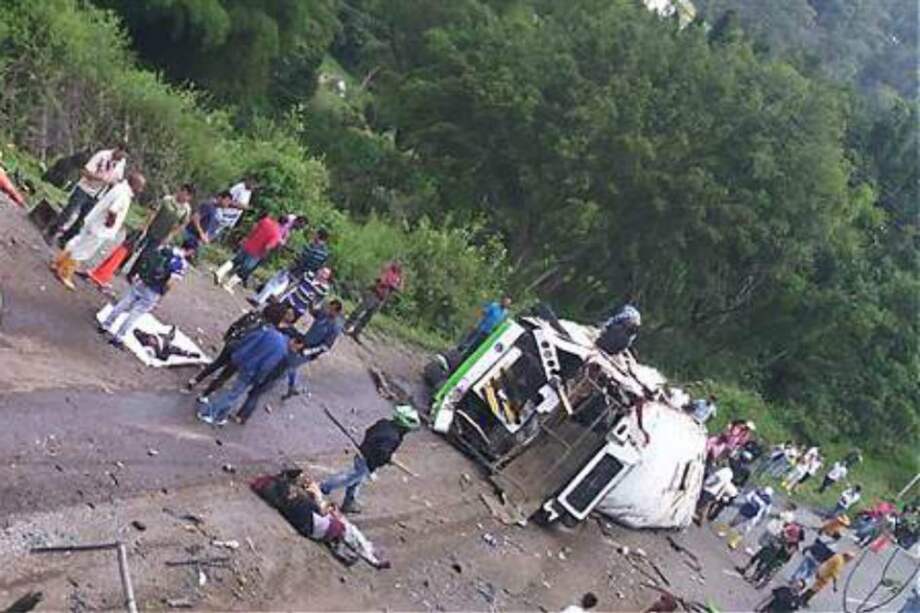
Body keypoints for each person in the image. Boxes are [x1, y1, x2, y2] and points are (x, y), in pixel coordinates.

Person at [320, 404, 421, 514]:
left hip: (362, 453)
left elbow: (369, 432)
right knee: (349, 478)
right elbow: (382, 453)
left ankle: (348, 503)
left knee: (356, 481)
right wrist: (388, 458)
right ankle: (324, 487)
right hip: (367, 461)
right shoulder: (393, 437)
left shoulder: (384, 423)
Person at [52, 172, 145, 290]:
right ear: (134, 184)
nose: (141, 190)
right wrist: (110, 223)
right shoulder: (124, 195)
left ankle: (58, 264)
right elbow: (113, 210)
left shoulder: (120, 187)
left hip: (93, 222)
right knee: (82, 251)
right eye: (140, 186)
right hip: (100, 229)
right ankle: (64, 273)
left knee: (76, 243)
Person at [186, 302, 295, 402]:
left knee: (217, 363)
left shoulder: (254, 315)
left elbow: (236, 324)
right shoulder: (267, 329)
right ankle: (204, 395)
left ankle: (195, 380)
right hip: (241, 352)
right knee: (225, 375)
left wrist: (228, 337)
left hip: (232, 343)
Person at [196, 326, 302, 426]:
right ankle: (209, 413)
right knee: (233, 394)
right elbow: (266, 366)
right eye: (297, 348)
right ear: (294, 341)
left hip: (245, 362)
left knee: (235, 393)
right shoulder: (282, 351)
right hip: (251, 372)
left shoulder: (271, 332)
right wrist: (259, 379)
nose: (295, 350)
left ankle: (221, 416)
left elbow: (250, 339)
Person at [98, 239, 193, 347]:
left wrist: (140, 274)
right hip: (154, 290)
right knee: (136, 313)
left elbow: (149, 260)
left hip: (143, 281)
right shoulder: (181, 263)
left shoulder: (167, 248)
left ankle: (105, 325)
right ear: (191, 251)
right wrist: (162, 295)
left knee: (124, 302)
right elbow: (170, 282)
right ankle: (118, 337)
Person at [44, 145, 127, 246]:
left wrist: (113, 183)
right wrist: (98, 178)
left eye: (123, 157)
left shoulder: (120, 164)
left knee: (83, 219)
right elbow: (85, 171)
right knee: (69, 212)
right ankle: (51, 232)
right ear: (117, 149)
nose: (121, 158)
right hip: (85, 188)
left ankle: (65, 239)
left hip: (98, 194)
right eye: (121, 155)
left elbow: (118, 179)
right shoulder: (102, 155)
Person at [126, 184, 195, 280]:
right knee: (134, 247)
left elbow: (182, 224)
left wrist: (171, 235)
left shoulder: (186, 209)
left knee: (147, 254)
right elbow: (154, 212)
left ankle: (132, 274)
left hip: (162, 235)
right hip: (151, 228)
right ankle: (119, 265)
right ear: (180, 191)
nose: (185, 197)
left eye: (188, 196)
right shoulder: (167, 199)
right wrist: (145, 225)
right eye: (184, 193)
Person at [252, 228, 330, 307]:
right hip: (305, 276)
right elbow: (319, 267)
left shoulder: (311, 247)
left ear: (318, 235)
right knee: (286, 292)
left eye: (315, 234)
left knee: (274, 283)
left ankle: (258, 300)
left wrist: (289, 267)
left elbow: (300, 259)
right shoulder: (325, 253)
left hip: (295, 271)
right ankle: (271, 307)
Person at [283, 299, 345, 398]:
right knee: (291, 362)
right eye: (329, 308)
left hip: (310, 351)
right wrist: (311, 301)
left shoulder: (335, 327)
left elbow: (325, 346)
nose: (329, 311)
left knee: (290, 365)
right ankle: (292, 386)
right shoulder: (323, 314)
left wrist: (307, 351)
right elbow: (312, 312)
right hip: (304, 341)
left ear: (337, 312)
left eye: (332, 310)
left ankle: (272, 382)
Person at [213, 214, 288, 291]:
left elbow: (253, 230)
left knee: (235, 261)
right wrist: (264, 254)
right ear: (284, 224)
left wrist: (246, 238)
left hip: (248, 245)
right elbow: (268, 246)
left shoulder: (265, 221)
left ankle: (219, 272)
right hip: (256, 253)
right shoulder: (277, 234)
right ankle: (228, 285)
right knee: (244, 270)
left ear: (278, 218)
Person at [344, 261, 404, 341]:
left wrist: (399, 281)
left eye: (400, 265)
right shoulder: (387, 270)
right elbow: (380, 280)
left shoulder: (398, 277)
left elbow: (400, 289)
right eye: (397, 264)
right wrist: (390, 284)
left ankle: (356, 332)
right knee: (360, 310)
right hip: (374, 293)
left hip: (382, 299)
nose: (398, 266)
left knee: (368, 316)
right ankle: (347, 325)